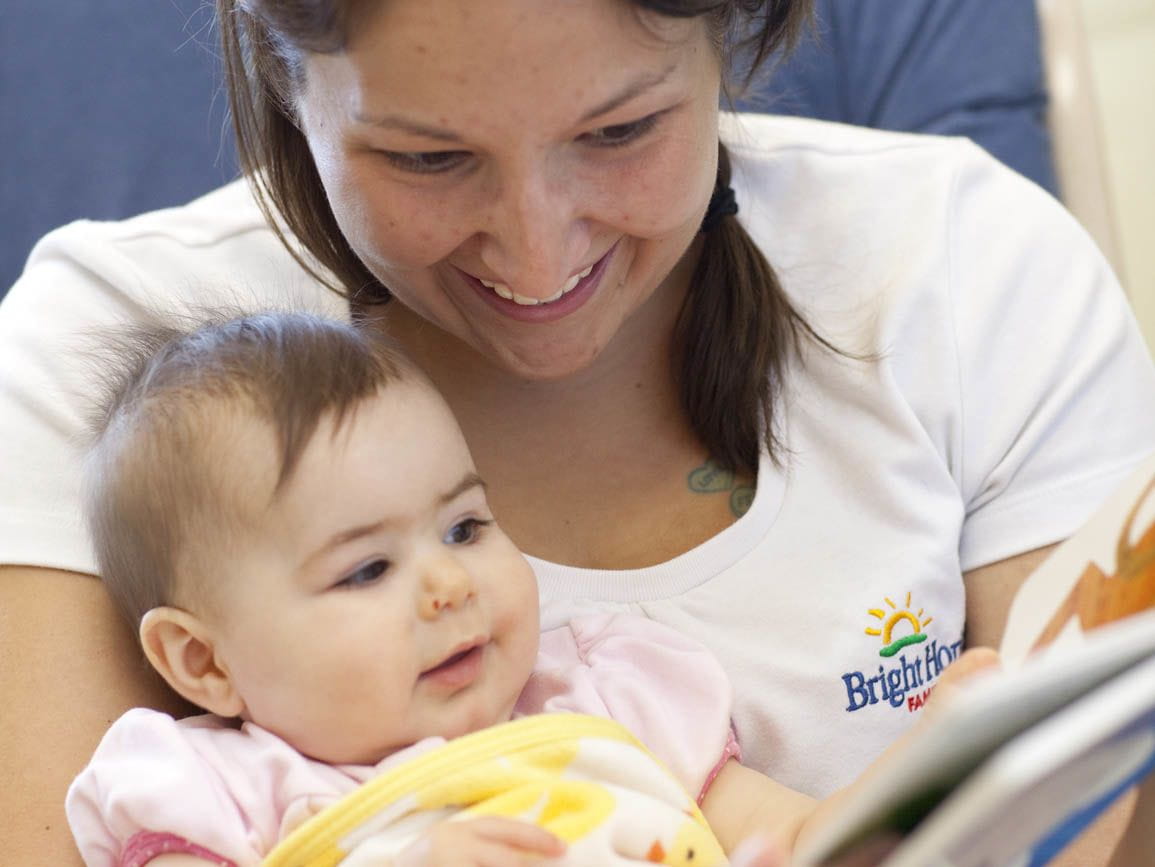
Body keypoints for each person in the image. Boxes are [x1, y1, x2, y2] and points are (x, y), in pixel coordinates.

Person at [2, 0, 1154, 862]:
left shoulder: (602, 696)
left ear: (728, 42)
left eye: (620, 130)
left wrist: (940, 785)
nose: (538, 251)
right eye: (428, 157)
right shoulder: (117, 379)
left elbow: (808, 839)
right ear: (286, 83)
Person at [63, 310, 991, 866]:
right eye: (367, 569)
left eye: (465, 527)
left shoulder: (610, 698)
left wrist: (933, 760)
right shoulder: (215, 787)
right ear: (203, 660)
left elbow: (808, 840)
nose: (447, 583)